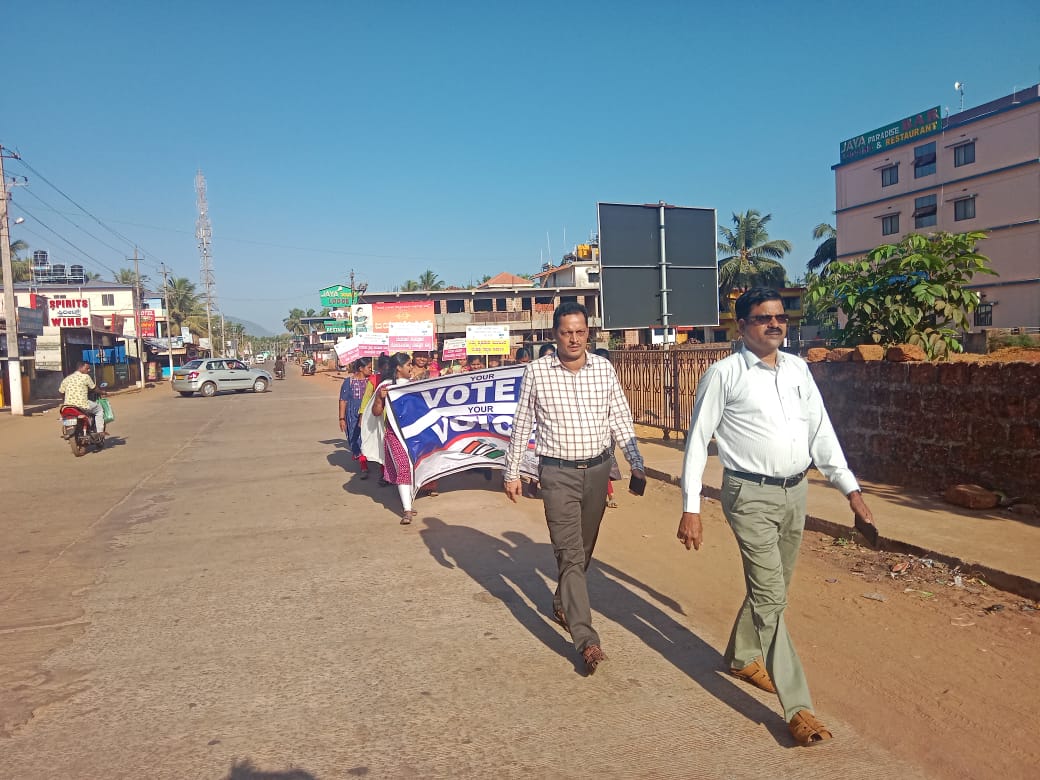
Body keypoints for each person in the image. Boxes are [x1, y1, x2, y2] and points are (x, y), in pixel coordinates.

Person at [676, 286, 877, 747]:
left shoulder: (799, 370)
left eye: (780, 318)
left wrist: (850, 490)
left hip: (795, 492)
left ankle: (742, 654)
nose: (774, 324)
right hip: (748, 494)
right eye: (763, 317)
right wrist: (691, 507)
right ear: (741, 326)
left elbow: (822, 433)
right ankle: (798, 706)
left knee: (775, 588)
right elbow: (697, 441)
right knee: (771, 598)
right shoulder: (724, 374)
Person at [504, 302, 645, 675]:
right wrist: (511, 471)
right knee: (569, 554)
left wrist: (635, 461)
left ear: (588, 333)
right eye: (566, 332)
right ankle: (586, 639)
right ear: (555, 335)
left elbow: (619, 416)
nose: (574, 339)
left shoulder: (603, 368)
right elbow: (522, 422)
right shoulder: (537, 372)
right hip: (557, 474)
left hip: (597, 471)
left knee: (582, 550)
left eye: (580, 332)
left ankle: (562, 601)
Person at [370, 352, 417, 523]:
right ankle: (407, 510)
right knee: (403, 468)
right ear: (398, 367)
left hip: (414, 434)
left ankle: (408, 503)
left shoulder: (415, 385)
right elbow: (376, 412)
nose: (411, 367)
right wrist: (379, 398)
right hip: (395, 435)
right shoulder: (386, 387)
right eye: (408, 364)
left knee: (412, 468)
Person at [339, 358, 373, 479]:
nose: (371, 370)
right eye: (369, 367)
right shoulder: (349, 382)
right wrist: (341, 418)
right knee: (356, 439)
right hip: (353, 415)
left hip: (368, 413)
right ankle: (363, 466)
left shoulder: (371, 381)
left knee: (367, 438)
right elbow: (343, 400)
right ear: (361, 368)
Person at [59, 362, 105, 437]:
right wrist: (102, 392)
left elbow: (61, 392)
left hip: (67, 406)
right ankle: (100, 432)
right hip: (82, 405)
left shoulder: (67, 379)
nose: (89, 370)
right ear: (80, 368)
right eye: (87, 368)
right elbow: (94, 388)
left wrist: (65, 400)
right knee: (99, 409)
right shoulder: (85, 377)